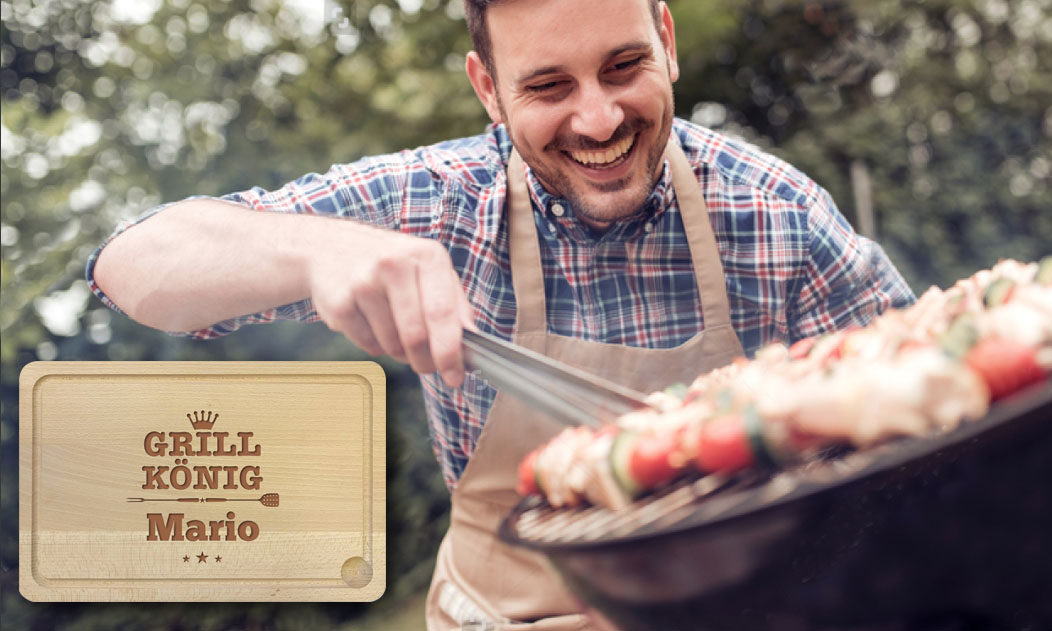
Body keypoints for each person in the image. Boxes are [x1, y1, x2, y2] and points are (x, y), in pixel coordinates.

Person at [90, 0, 914, 628]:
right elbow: (130, 263)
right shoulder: (442, 205)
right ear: (488, 88)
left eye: (624, 67)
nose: (598, 120)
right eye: (549, 86)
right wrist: (316, 251)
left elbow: (926, 412)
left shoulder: (772, 212)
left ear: (667, 40)